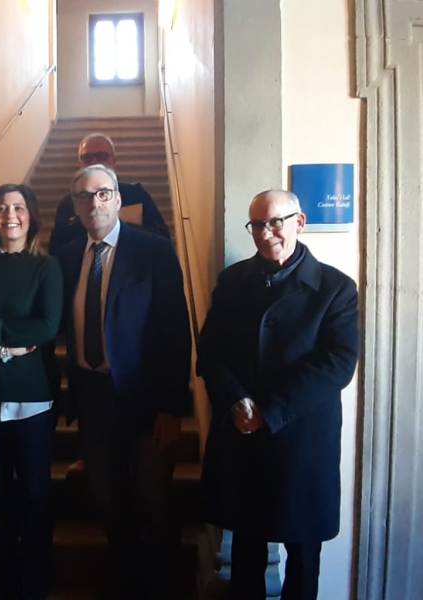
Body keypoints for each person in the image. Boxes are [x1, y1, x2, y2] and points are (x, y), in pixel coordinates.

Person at [198, 190, 359, 600]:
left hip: (302, 439)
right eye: (257, 224)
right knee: (246, 547)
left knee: (303, 554)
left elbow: (338, 362)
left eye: (275, 222)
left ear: (299, 222)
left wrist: (269, 411)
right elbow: (211, 350)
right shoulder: (233, 281)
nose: (266, 233)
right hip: (242, 433)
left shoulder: (336, 287)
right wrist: (235, 400)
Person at [54, 164, 191, 596]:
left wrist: (172, 408)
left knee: (154, 503)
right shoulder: (66, 255)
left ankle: (164, 588)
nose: (93, 203)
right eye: (83, 196)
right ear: (75, 206)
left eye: (102, 193)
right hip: (93, 399)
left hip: (144, 399)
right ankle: (124, 584)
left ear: (117, 199)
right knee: (108, 502)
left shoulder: (154, 251)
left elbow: (174, 331)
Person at [0, 183, 62, 599]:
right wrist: (10, 340)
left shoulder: (46, 266)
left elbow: (47, 327)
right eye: (2, 208)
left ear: (31, 216)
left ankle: (35, 581)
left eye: (18, 207)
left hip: (31, 395)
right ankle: (0, 580)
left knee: (35, 491)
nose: (10, 215)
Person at [49, 132, 170, 253]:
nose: (95, 162)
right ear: (79, 164)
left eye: (102, 156)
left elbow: (161, 238)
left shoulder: (136, 195)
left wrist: (117, 227)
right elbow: (56, 249)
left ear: (114, 161)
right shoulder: (69, 203)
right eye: (87, 158)